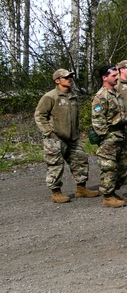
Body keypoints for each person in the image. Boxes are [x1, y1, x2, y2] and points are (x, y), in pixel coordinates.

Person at [34, 69, 96, 203]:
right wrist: (49, 133)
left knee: (80, 159)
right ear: (57, 81)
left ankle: (81, 189)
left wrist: (76, 132)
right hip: (55, 138)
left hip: (72, 137)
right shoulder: (50, 97)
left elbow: (76, 116)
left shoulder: (73, 96)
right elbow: (39, 116)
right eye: (66, 77)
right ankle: (56, 192)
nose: (70, 79)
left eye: (71, 77)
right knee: (55, 164)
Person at [91, 64, 127, 208]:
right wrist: (106, 136)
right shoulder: (101, 96)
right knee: (109, 166)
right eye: (113, 76)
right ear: (104, 78)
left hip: (120, 134)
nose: (116, 78)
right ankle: (107, 196)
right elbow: (97, 120)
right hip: (110, 136)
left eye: (116, 75)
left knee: (124, 165)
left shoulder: (116, 93)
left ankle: (113, 192)